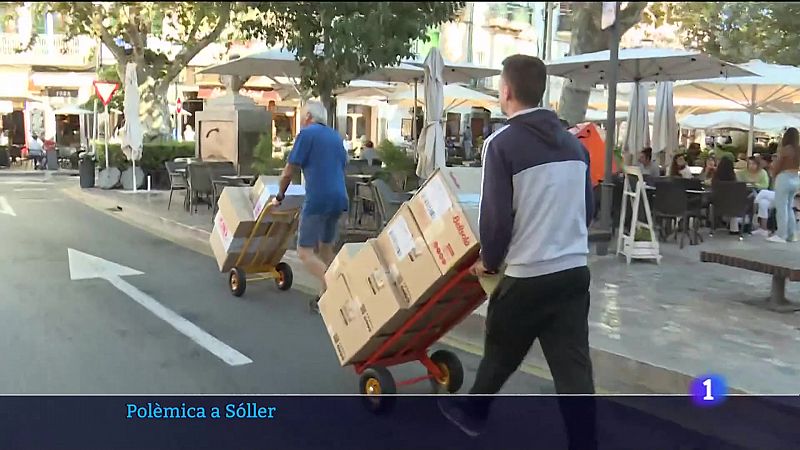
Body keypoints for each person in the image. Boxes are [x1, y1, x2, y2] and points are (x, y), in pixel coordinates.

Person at [437, 54, 596, 449]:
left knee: (500, 350)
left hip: (528, 274)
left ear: (505, 91)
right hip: (574, 271)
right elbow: (588, 210)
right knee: (573, 368)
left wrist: (488, 262)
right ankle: (584, 442)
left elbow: (495, 219)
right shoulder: (575, 147)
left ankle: (473, 414)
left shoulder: (501, 144)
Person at [272, 101, 349, 311]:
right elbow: (342, 164)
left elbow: (289, 170)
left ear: (307, 116)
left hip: (318, 198)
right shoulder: (335, 137)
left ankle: (337, 287)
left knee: (304, 251)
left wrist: (280, 194)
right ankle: (325, 298)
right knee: (325, 248)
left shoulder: (306, 135)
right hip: (340, 197)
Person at [767, 127, 800, 243]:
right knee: (789, 207)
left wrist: (773, 175)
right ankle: (792, 234)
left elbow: (778, 164)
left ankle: (781, 235)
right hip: (796, 178)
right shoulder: (798, 149)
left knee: (781, 207)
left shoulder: (785, 149)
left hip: (784, 177)